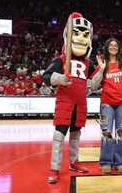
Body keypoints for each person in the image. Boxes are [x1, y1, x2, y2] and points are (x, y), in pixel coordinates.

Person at [43, 12, 94, 183]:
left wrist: (100, 73)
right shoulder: (61, 59)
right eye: (76, 33)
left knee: (76, 135)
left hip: (80, 104)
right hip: (65, 103)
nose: (80, 38)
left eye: (85, 35)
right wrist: (59, 79)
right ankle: (55, 168)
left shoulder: (89, 63)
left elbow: (95, 82)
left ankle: (74, 162)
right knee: (59, 136)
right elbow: (46, 76)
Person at [91, 38, 122, 174]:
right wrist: (101, 70)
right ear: (107, 47)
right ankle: (106, 162)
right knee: (106, 133)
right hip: (107, 103)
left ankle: (120, 162)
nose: (113, 47)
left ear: (118, 48)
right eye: (111, 45)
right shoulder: (102, 64)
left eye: (116, 45)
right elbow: (94, 86)